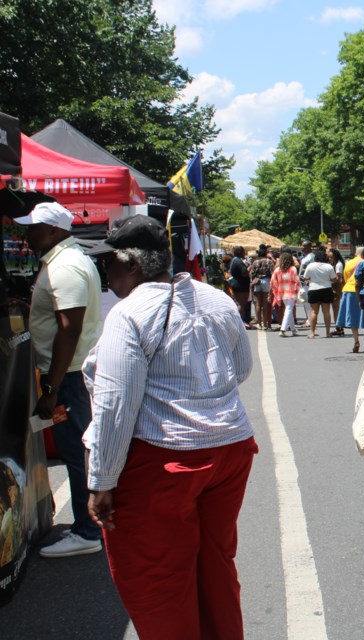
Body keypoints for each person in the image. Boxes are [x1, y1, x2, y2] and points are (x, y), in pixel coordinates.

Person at [82, 215, 258, 639]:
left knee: (157, 579)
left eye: (109, 264)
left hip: (164, 460)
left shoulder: (128, 314)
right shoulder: (216, 299)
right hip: (230, 449)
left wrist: (102, 480)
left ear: (130, 262)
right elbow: (241, 368)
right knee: (215, 564)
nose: (106, 274)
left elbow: (115, 405)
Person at [13, 201, 103, 558]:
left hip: (67, 374)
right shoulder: (63, 261)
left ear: (53, 230)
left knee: (76, 451)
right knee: (78, 449)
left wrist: (50, 388)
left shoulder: (64, 266)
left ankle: (86, 530)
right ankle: (90, 524)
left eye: (32, 227)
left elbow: (70, 329)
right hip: (67, 373)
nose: (27, 233)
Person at [337, 246, 364, 352]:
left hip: (349, 289)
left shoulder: (349, 263)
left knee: (353, 316)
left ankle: (356, 341)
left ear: (355, 253)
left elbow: (345, 278)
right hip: (363, 290)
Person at [303, 249, 335, 338]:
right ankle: (328, 332)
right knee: (326, 312)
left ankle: (312, 333)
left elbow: (305, 277)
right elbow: (333, 278)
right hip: (326, 289)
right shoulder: (329, 266)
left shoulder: (311, 265)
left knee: (314, 312)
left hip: (313, 289)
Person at [271, 252, 300, 337]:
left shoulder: (277, 270)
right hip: (291, 292)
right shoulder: (293, 269)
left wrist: (276, 290)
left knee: (288, 310)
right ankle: (283, 329)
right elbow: (297, 281)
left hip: (282, 293)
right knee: (288, 310)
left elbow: (273, 282)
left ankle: (293, 329)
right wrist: (297, 290)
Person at [248, 245, 276, 331]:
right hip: (266, 281)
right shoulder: (269, 261)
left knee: (258, 304)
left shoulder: (255, 262)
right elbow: (272, 273)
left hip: (257, 281)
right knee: (265, 303)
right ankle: (266, 323)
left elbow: (252, 273)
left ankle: (260, 324)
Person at [228, 246, 252, 328]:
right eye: (243, 251)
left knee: (241, 304)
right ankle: (240, 322)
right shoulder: (238, 261)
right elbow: (244, 273)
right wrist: (249, 267)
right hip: (240, 285)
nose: (245, 253)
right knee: (241, 304)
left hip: (238, 284)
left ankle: (240, 322)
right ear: (239, 252)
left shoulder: (234, 260)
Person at [328, 247, 346, 335]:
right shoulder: (335, 264)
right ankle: (338, 327)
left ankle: (339, 328)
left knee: (336, 309)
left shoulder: (338, 265)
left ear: (335, 256)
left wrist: (329, 280)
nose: (329, 258)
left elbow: (338, 278)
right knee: (335, 309)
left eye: (331, 257)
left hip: (336, 287)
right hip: (335, 287)